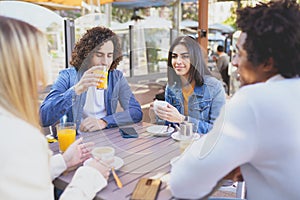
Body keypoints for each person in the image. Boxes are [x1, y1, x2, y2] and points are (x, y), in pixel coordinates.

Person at [170, 0, 300, 199]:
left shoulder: (254, 101)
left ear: (267, 62)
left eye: (239, 54)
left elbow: (182, 184)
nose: (235, 63)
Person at [0, 16, 112, 199]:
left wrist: (63, 161)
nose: (41, 77)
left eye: (109, 55)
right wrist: (90, 176)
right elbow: (44, 116)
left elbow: (22, 173)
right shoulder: (17, 137)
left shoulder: (116, 78)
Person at [40, 26, 143, 133]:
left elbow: (135, 112)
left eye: (110, 56)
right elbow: (43, 118)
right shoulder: (67, 76)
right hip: (76, 141)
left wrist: (104, 122)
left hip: (105, 139)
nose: (105, 62)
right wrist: (76, 90)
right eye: (99, 55)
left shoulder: (116, 77)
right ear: (87, 55)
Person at [150, 36, 226, 134]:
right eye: (174, 56)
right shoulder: (171, 87)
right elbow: (169, 127)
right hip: (177, 146)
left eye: (185, 56)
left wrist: (183, 119)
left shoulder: (214, 87)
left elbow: (217, 131)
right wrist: (157, 116)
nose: (178, 61)